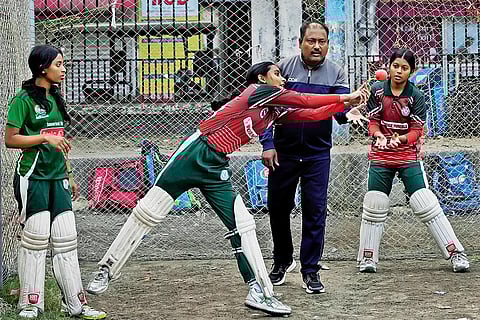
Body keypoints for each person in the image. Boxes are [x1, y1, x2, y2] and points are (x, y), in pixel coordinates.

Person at [86, 61, 369, 316]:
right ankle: (105, 270)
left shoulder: (271, 110)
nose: (282, 78)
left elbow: (308, 113)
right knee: (147, 213)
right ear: (261, 78)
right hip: (193, 153)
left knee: (242, 225)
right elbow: (304, 99)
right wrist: (346, 96)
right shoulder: (258, 91)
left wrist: (346, 108)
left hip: (216, 164)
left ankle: (260, 292)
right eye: (277, 74)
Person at [260, 21, 368, 294]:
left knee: (314, 211)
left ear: (328, 44)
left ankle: (310, 270)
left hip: (318, 155)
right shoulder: (282, 69)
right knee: (278, 208)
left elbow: (341, 110)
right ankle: (282, 262)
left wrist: (352, 110)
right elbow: (265, 111)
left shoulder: (336, 73)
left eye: (322, 41)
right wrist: (268, 144)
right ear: (300, 43)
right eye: (311, 41)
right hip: (282, 154)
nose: (317, 46)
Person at [4, 45, 107, 319]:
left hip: (58, 178)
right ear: (42, 68)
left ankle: (75, 304)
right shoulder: (23, 100)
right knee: (36, 240)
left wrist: (70, 175)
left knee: (66, 240)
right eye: (59, 64)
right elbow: (11, 139)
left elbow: (62, 143)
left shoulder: (56, 98)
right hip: (33, 177)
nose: (63, 69)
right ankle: (31, 303)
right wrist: (43, 138)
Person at [356, 48, 470, 273]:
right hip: (381, 154)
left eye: (404, 68)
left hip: (407, 154)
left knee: (424, 201)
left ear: (411, 71)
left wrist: (401, 138)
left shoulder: (416, 96)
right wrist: (378, 135)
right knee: (375, 203)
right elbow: (373, 122)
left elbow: (418, 130)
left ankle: (456, 253)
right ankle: (367, 258)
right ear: (388, 67)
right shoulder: (378, 91)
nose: (399, 71)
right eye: (395, 66)